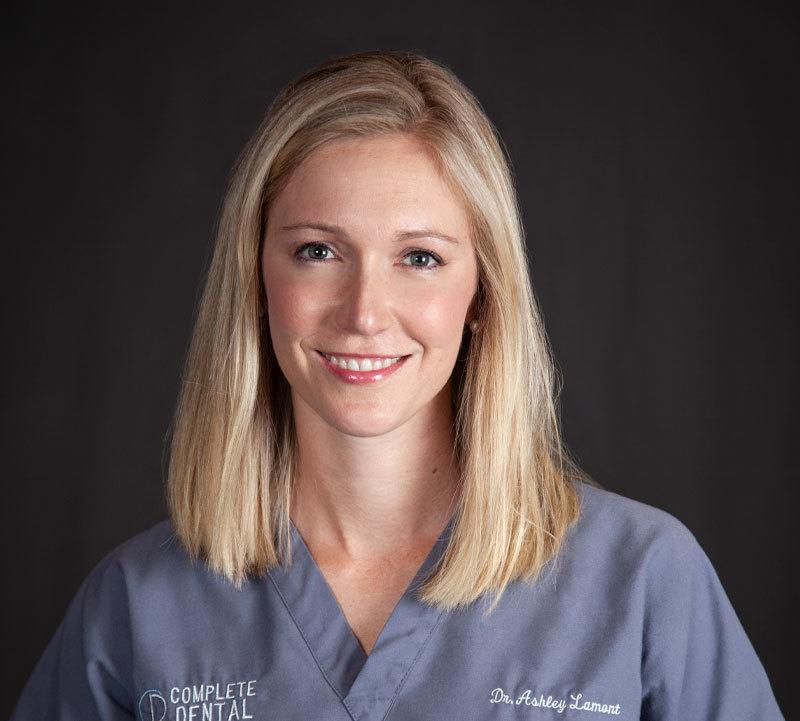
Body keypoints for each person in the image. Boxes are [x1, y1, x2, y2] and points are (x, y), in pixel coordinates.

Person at [11, 50, 784, 721]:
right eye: (318, 250)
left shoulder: (645, 581)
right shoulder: (136, 609)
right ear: (255, 277)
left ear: (483, 293)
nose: (364, 313)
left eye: (419, 257)